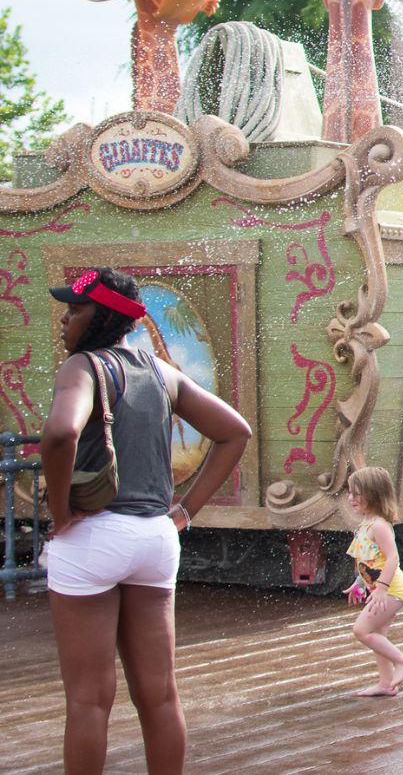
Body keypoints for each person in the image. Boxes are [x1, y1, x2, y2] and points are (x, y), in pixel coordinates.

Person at [39, 268, 251, 774]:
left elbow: (60, 436)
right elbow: (234, 432)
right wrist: (185, 512)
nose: (65, 318)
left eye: (75, 309)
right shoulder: (161, 371)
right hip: (156, 537)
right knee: (158, 696)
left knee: (89, 700)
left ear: (102, 316)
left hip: (94, 535)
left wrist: (60, 511)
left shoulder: (82, 367)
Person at [344, 466, 403, 698]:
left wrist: (382, 589)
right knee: (378, 635)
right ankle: (386, 684)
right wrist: (360, 582)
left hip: (392, 589)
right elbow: (368, 560)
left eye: (356, 494)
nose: (350, 498)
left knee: (361, 630)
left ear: (373, 494)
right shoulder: (366, 522)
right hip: (380, 588)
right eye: (350, 493)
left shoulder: (379, 526)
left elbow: (393, 557)